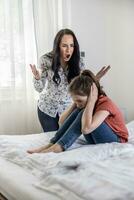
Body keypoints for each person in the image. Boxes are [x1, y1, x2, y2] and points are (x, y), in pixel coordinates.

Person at [27, 70, 128, 154]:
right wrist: (75, 104)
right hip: (95, 137)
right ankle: (52, 144)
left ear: (91, 95)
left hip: (116, 140)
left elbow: (86, 129)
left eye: (79, 101)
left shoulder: (105, 104)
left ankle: (60, 146)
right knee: (81, 111)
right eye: (75, 100)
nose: (78, 103)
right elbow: (61, 122)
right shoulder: (83, 103)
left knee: (82, 113)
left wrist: (91, 101)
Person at [30, 28, 110, 132]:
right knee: (51, 139)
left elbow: (81, 86)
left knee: (65, 140)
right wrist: (37, 77)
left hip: (68, 109)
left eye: (71, 45)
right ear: (58, 46)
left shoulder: (79, 62)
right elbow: (39, 88)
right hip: (47, 108)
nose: (68, 50)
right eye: (64, 46)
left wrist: (95, 79)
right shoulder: (46, 59)